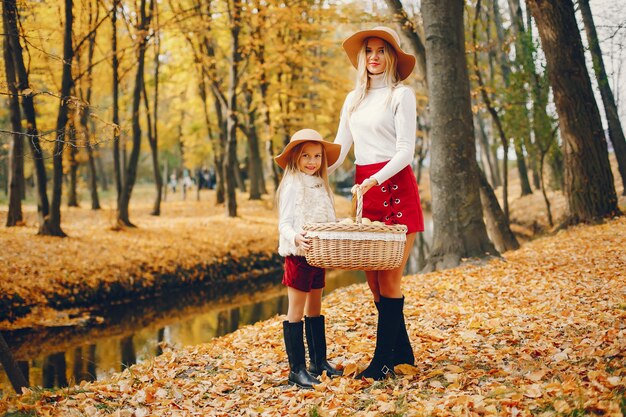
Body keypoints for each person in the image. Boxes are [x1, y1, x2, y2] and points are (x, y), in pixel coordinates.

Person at [329, 26, 425, 380]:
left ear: (392, 57)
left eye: (381, 50)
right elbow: (340, 152)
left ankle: (382, 361)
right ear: (361, 57)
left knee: (390, 282)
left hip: (395, 188)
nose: (373, 56)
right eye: (368, 50)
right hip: (364, 194)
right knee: (373, 284)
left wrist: (375, 178)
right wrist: (308, 165)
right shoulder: (352, 100)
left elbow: (405, 151)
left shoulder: (402, 95)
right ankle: (404, 354)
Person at [274, 128, 344, 389]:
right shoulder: (293, 183)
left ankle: (318, 362)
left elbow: (326, 219)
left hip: (318, 256)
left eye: (316, 156)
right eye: (306, 156)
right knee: (296, 311)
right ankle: (297, 370)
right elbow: (284, 223)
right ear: (295, 157)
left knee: (315, 308)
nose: (312, 161)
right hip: (298, 256)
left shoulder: (321, 184)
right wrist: (295, 238)